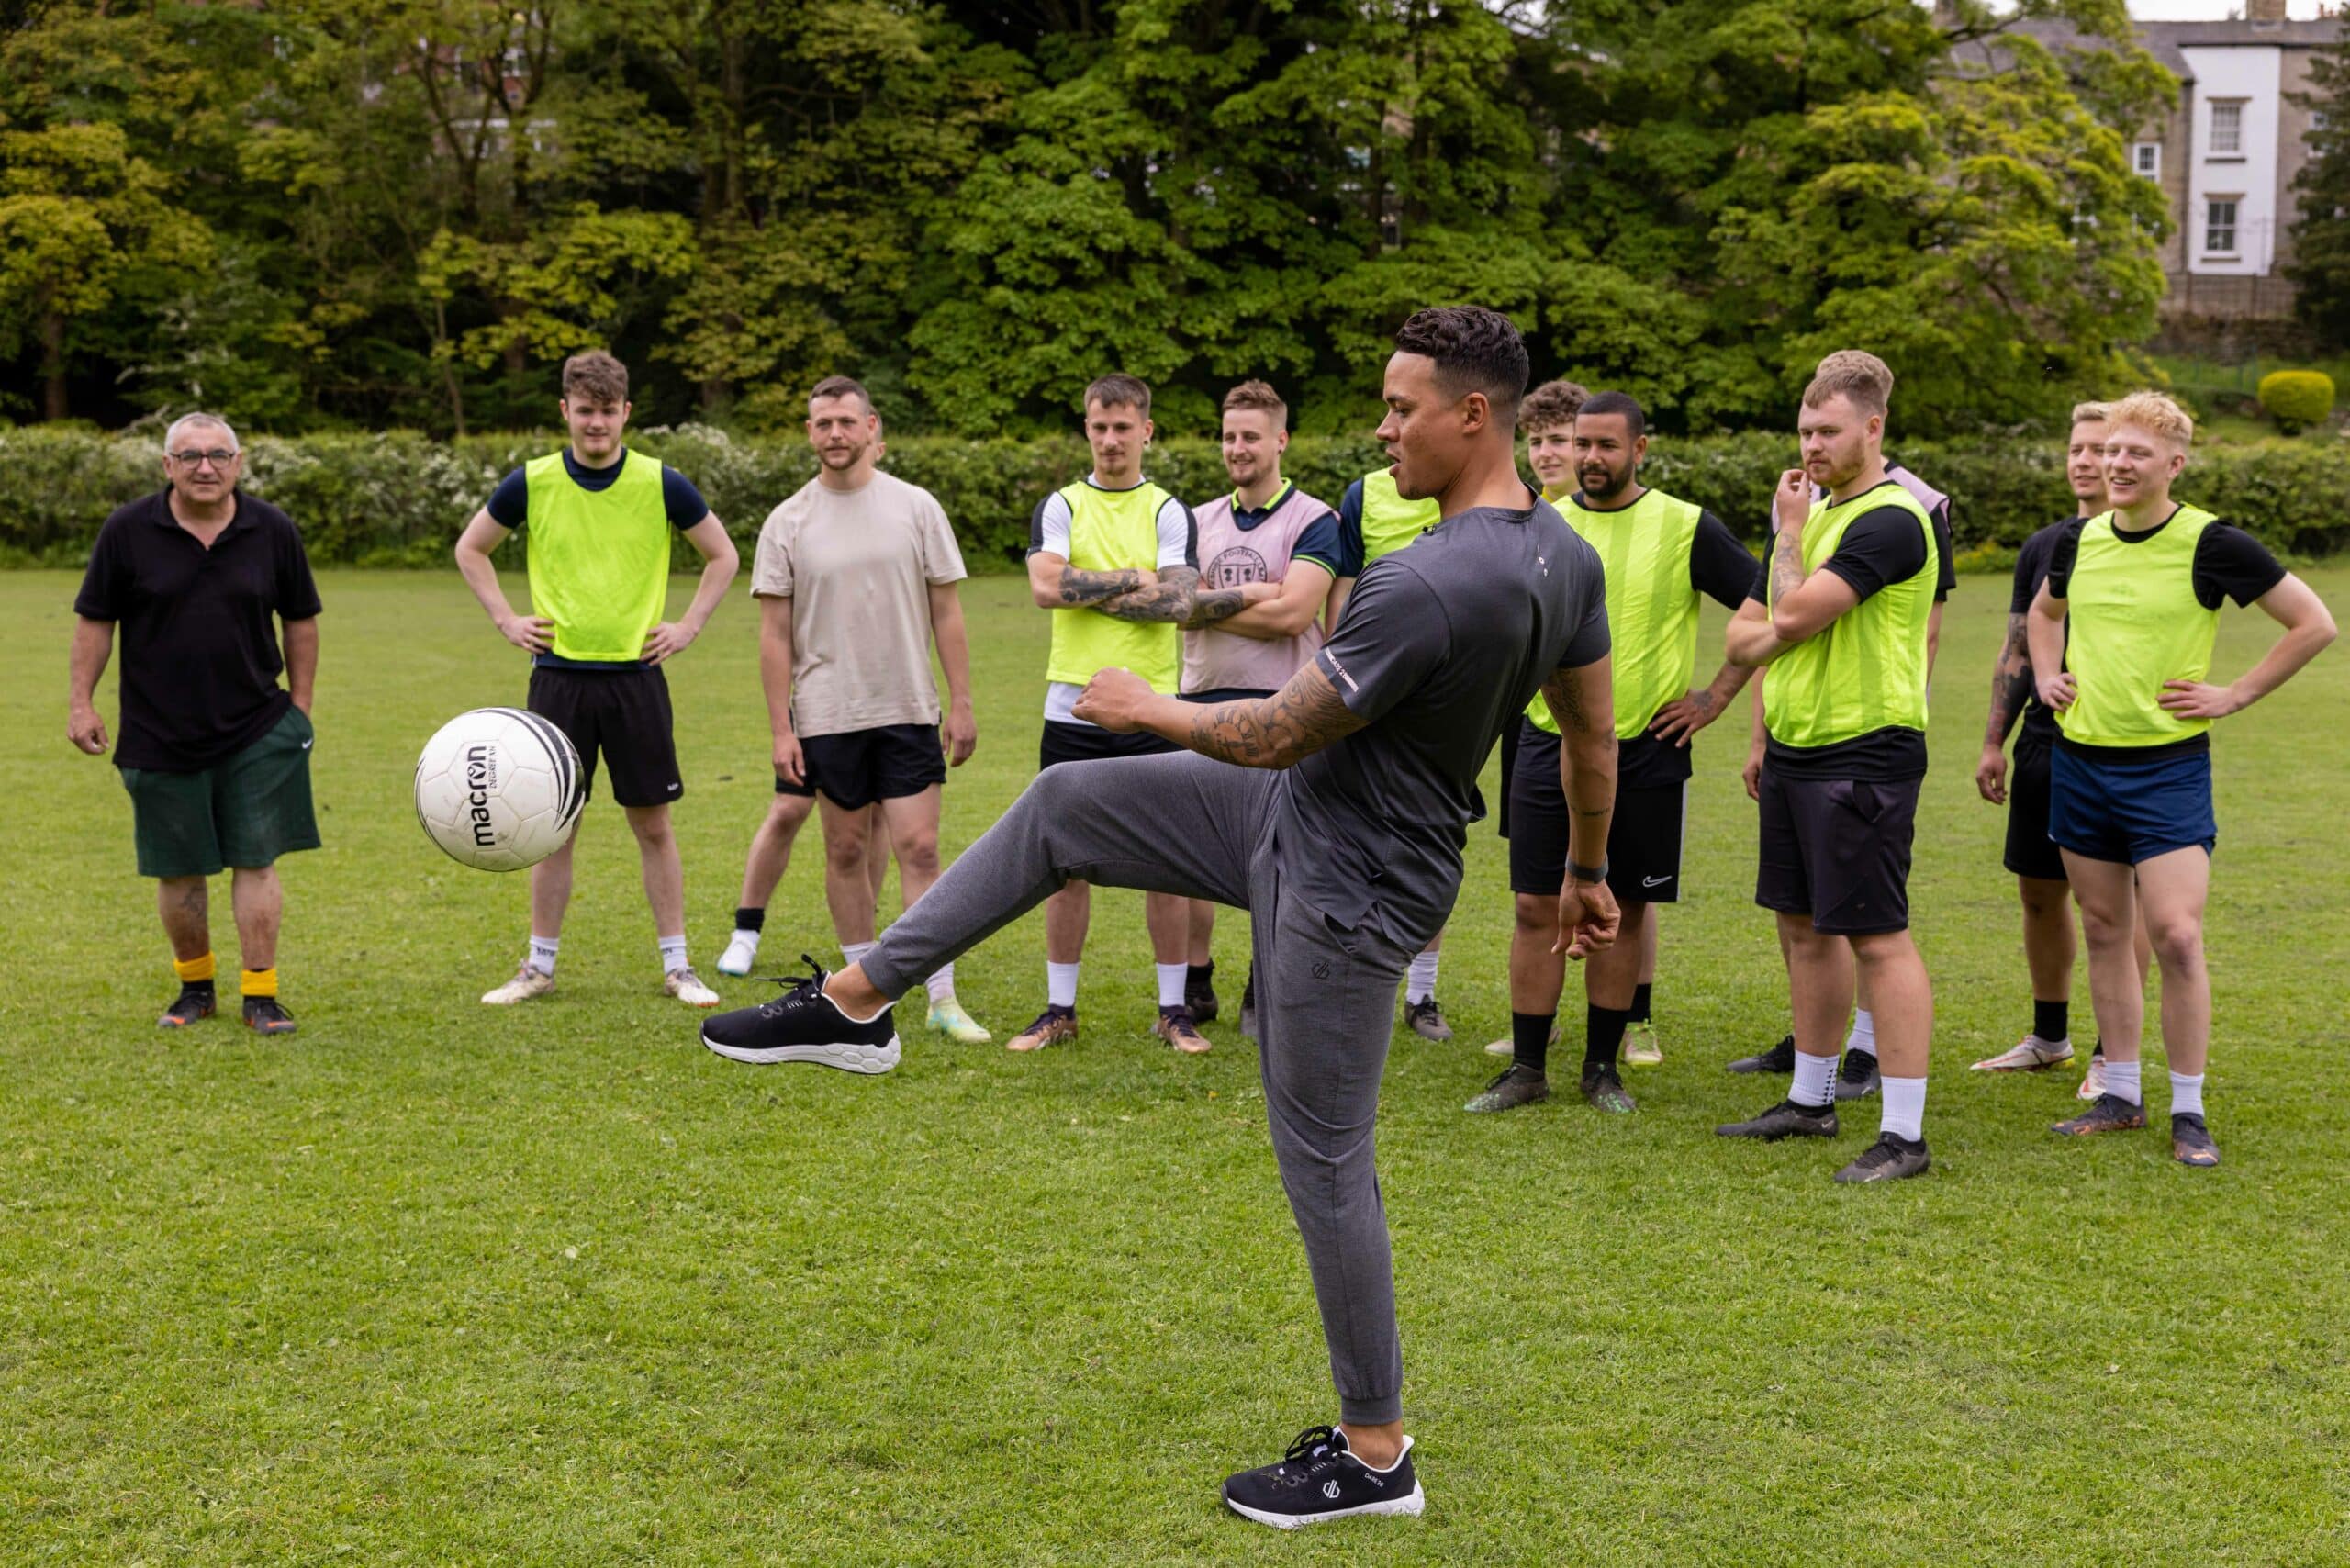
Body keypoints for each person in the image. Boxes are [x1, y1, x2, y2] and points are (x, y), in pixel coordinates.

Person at [696, 306, 1618, 1528]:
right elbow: (1590, 732)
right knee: (1066, 804)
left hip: (1349, 882)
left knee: (1327, 1165)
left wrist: (1149, 705)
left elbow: (1277, 725)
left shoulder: (1429, 580)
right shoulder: (1562, 556)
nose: (1384, 428)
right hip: (1293, 818)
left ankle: (1377, 1454)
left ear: (1473, 415)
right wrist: (1587, 869)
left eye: (1403, 408)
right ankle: (859, 1004)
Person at [2029, 391, 2334, 1167]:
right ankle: (2123, 1094)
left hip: (2167, 770)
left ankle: (2189, 1109)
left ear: (2174, 464)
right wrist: (2045, 677)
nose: (2116, 464)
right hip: (2081, 763)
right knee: (2103, 930)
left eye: (2136, 454)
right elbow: (2044, 614)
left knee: (2176, 935)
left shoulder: (2213, 543)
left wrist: (2236, 693)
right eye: (2109, 451)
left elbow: (2313, 622)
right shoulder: (2079, 540)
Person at [1473, 390, 1757, 1114]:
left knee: (1623, 909)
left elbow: (1768, 600)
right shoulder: (1538, 523)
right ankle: (1527, 1066)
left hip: (1646, 747)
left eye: (1606, 446)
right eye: (1581, 444)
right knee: (1537, 904)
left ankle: (1603, 1068)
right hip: (1546, 742)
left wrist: (1714, 696)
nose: (1590, 458)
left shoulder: (1685, 525)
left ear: (1639, 450)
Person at [453, 351, 740, 1008]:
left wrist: (688, 626)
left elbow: (722, 555)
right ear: (565, 411)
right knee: (553, 827)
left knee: (654, 826)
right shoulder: (531, 482)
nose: (597, 424)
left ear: (626, 413)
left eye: (608, 412)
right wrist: (504, 618)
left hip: (636, 679)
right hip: (557, 681)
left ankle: (678, 966)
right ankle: (538, 967)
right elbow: (472, 548)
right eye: (586, 411)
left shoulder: (662, 482)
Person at [1718, 350, 1939, 1182]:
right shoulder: (1821, 520)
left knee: (1879, 938)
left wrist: (1784, 539)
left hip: (1866, 751)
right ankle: (1810, 1103)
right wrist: (1780, 600)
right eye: (1804, 430)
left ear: (1873, 428)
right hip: (1798, 750)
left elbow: (1786, 616)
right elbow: (1746, 636)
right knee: (1802, 927)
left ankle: (1905, 1136)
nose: (1811, 446)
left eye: (1829, 430)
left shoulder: (1890, 518)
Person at [716, 376, 989, 1043]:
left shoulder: (917, 507)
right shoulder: (789, 520)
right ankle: (862, 999)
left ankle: (942, 998)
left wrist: (961, 703)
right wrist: (781, 727)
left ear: (872, 428)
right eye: (822, 424)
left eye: (846, 421)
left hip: (906, 706)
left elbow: (946, 612)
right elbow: (774, 636)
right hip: (826, 713)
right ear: (810, 434)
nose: (834, 433)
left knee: (920, 848)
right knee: (843, 850)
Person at [1006, 373, 1270, 1055]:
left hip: (1153, 707)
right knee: (1061, 867)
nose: (1111, 439)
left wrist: (1089, 587)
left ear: (1146, 431)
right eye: (1100, 426)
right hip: (1072, 708)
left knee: (1169, 863)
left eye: (1124, 427)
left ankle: (1173, 1010)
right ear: (1087, 429)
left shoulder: (1166, 510)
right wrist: (1133, 578)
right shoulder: (1060, 504)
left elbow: (1179, 602)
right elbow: (1044, 587)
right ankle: (1059, 1009)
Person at [69, 411, 320, 1036]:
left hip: (258, 725)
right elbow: (96, 621)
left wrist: (302, 709)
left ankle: (261, 995)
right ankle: (195, 988)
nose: (204, 466)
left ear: (237, 463)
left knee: (256, 859)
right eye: (189, 456)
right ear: (167, 466)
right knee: (178, 869)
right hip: (157, 732)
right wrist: (81, 701)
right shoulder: (127, 532)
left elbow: (301, 619)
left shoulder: (272, 529)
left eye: (217, 455)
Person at [1971, 402, 2152, 1092]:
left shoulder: (2149, 540)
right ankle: (2050, 1038)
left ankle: (2115, 1052)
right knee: (2039, 895)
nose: (2086, 459)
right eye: (2077, 447)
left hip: (2118, 747)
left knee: (2114, 907)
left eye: (2101, 447)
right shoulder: (2046, 544)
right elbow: (2018, 644)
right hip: (2045, 746)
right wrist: (1995, 740)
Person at [1178, 380, 1345, 1039]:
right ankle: (1195, 981)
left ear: (1281, 440)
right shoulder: (1193, 519)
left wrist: (1213, 606)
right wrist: (1262, 594)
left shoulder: (1316, 519)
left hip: (1283, 708)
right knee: (1193, 849)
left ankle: (1262, 984)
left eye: (1251, 436)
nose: (1238, 448)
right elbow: (1175, 603)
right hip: (1197, 699)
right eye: (1229, 437)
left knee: (1273, 855)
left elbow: (1297, 614)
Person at [1333, 452, 1453, 1041]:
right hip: (1373, 689)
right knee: (1352, 841)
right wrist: (1339, 670)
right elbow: (1346, 589)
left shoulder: (1478, 488)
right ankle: (1355, 982)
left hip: (1445, 699)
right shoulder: (1365, 494)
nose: (1392, 432)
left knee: (1430, 840)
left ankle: (1423, 993)